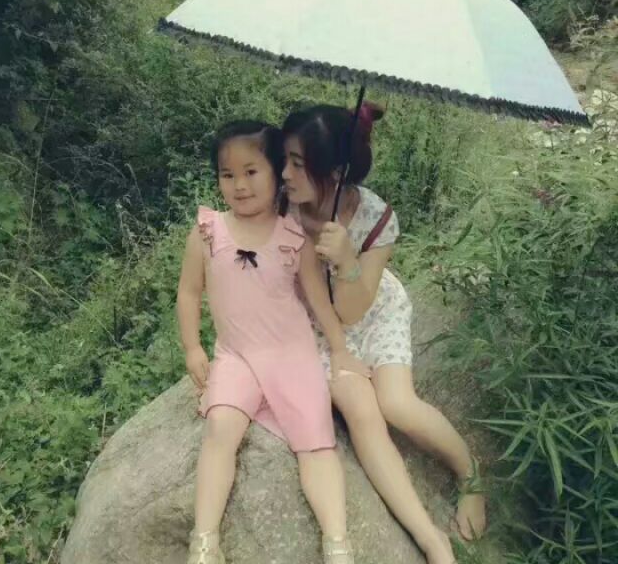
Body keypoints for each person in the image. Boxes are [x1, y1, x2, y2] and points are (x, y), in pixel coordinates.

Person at [281, 103, 487, 564]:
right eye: (284, 159)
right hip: (319, 326)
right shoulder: (284, 209)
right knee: (362, 412)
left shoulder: (376, 216)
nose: (285, 173)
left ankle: (469, 473)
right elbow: (318, 304)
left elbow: (355, 307)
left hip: (371, 310)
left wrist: (347, 260)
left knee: (397, 405)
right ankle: (431, 539)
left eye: (297, 163)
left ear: (335, 172)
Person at [177, 120, 356, 564]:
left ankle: (337, 542)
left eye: (251, 172)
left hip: (291, 355)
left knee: (315, 442)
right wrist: (192, 347)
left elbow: (318, 302)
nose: (239, 185)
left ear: (277, 173)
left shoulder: (293, 239)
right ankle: (204, 539)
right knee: (220, 427)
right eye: (228, 174)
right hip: (236, 355)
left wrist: (340, 350)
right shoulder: (208, 231)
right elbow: (189, 292)